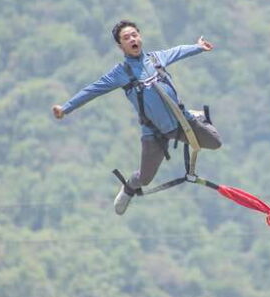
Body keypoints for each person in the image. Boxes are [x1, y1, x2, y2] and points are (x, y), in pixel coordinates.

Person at [52, 20, 222, 215]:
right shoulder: (121, 73)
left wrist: (198, 47)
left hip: (182, 122)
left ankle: (194, 115)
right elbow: (92, 90)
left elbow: (177, 51)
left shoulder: (156, 59)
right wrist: (65, 108)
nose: (132, 39)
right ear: (120, 46)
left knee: (215, 142)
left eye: (134, 35)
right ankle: (129, 188)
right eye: (126, 38)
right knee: (145, 178)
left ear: (140, 37)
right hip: (154, 133)